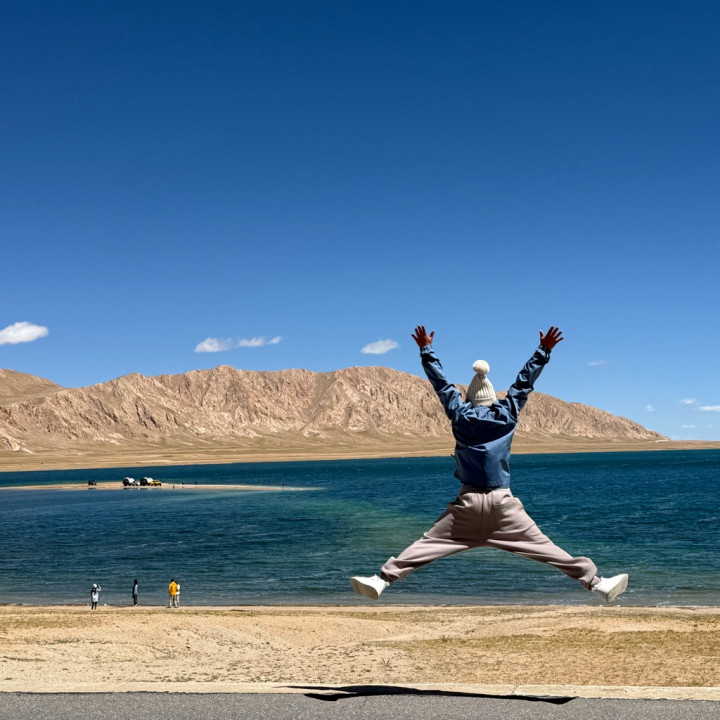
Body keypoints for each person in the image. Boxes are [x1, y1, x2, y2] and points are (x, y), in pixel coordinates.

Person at [350, 325, 628, 603]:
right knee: (545, 548)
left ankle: (382, 580)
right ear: (493, 399)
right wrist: (543, 350)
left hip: (467, 507)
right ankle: (597, 583)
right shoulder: (507, 414)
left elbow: (442, 386)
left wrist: (426, 350)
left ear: (469, 400)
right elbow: (523, 384)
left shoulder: (460, 415)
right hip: (503, 506)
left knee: (428, 544)